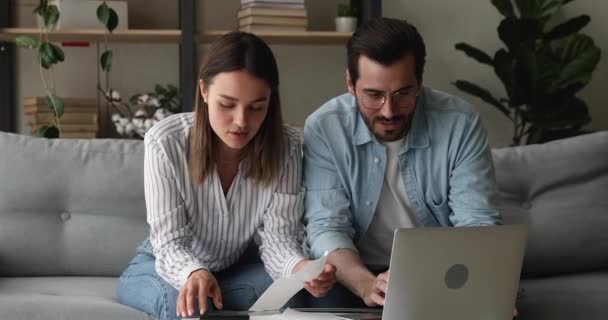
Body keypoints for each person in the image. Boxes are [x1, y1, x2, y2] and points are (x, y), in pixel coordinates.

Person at [117, 31, 336, 320]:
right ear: (204, 91)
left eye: (257, 107)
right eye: (227, 104)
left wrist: (299, 269)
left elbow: (279, 238)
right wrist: (194, 272)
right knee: (187, 305)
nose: (241, 122)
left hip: (237, 269)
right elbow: (170, 244)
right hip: (163, 265)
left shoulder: (287, 146)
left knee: (292, 296)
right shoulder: (165, 142)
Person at [302, 17, 503, 309]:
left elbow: (477, 222)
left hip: (438, 271)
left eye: (402, 94)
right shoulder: (324, 128)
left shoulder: (460, 123)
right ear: (350, 83)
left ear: (419, 82)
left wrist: (484, 287)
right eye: (373, 95)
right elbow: (326, 226)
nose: (388, 111)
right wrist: (365, 284)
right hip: (354, 272)